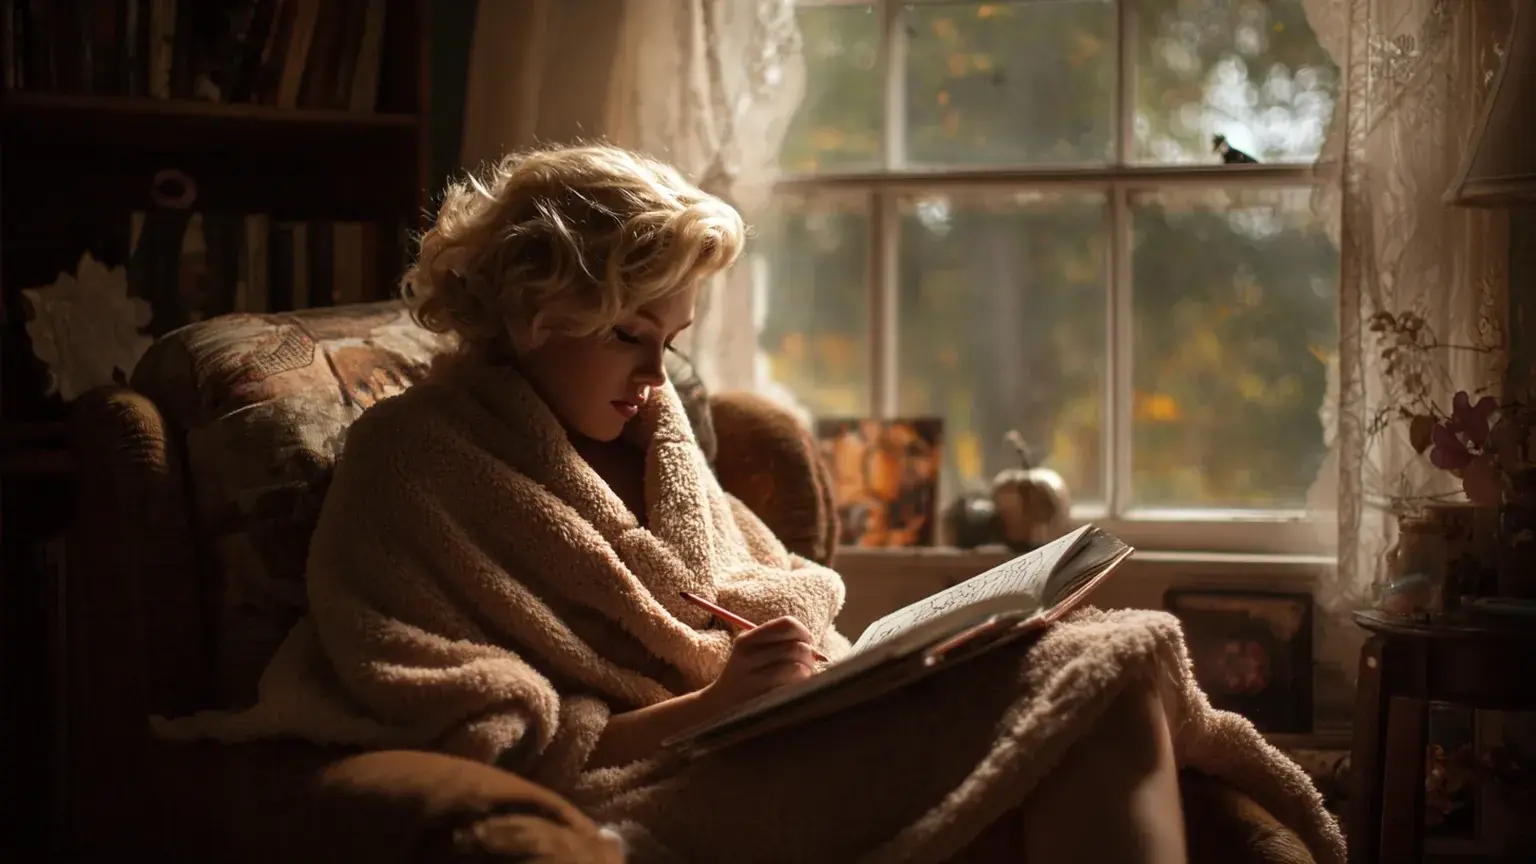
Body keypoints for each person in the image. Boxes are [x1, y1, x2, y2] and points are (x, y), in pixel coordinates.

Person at [156, 144, 1341, 864]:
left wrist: (876, 665)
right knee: (1117, 662)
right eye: (629, 334)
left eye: (669, 340)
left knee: (1111, 650)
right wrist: (710, 707)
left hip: (780, 739)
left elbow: (771, 594)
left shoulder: (654, 427)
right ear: (529, 309)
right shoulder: (410, 463)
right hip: (656, 788)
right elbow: (474, 730)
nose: (654, 373)